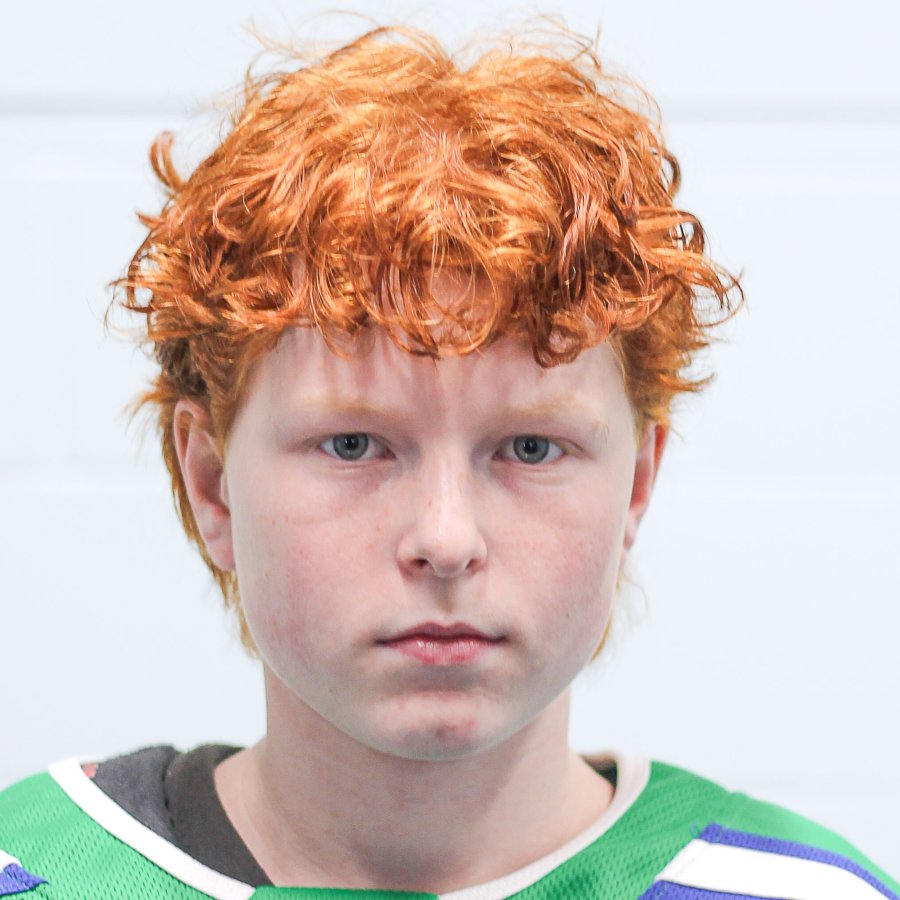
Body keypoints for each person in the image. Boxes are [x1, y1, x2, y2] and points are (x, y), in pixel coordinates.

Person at [0, 22, 896, 900]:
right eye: (353, 445)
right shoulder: (36, 873)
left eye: (531, 448)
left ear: (637, 484)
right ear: (212, 484)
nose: (446, 539)